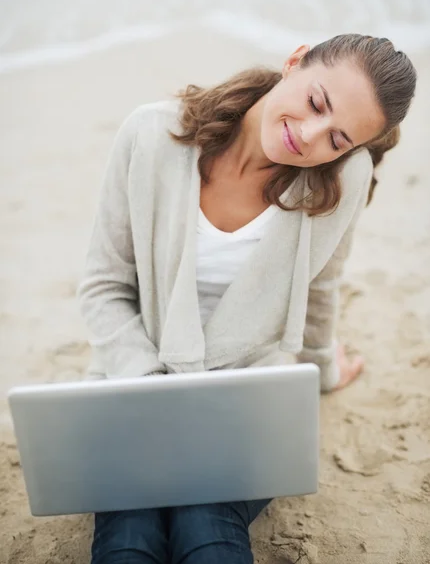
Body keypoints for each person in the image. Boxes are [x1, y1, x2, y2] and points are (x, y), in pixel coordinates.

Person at [77, 34, 416, 564]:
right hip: (137, 379)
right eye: (315, 103)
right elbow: (104, 286)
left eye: (338, 139)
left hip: (246, 396)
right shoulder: (151, 134)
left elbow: (322, 287)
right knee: (129, 532)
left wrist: (323, 368)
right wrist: (150, 388)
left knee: (207, 523)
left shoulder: (346, 178)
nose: (309, 137)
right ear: (295, 61)